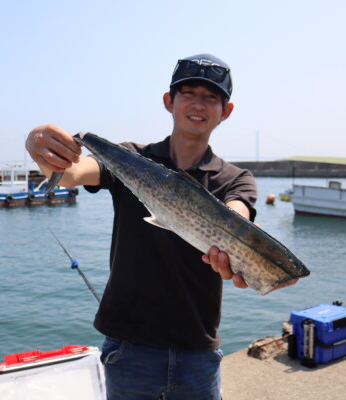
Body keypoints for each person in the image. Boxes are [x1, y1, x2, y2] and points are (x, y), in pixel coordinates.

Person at [26, 54, 256, 400]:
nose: (198, 104)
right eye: (188, 93)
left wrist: (232, 241)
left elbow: (236, 217)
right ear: (169, 102)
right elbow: (72, 174)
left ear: (226, 110)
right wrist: (40, 146)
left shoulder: (235, 179)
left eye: (211, 97)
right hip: (128, 347)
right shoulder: (129, 158)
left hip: (198, 349)